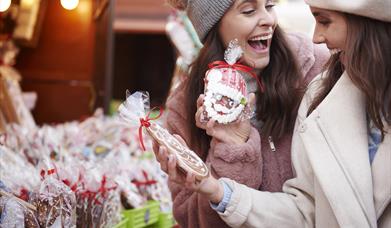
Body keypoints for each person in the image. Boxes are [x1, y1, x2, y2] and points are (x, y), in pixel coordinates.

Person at [158, 0, 391, 227]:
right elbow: (195, 219)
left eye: (270, 6)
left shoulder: (321, 71)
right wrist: (232, 152)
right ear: (213, 24)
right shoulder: (185, 107)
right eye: (249, 10)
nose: (269, 20)